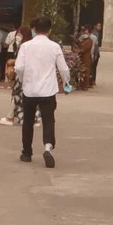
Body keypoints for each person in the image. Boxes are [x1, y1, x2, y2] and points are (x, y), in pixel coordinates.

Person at [14, 15, 70, 167]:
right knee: (48, 120)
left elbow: (19, 67)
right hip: (48, 91)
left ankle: (27, 153)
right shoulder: (54, 47)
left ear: (34, 29)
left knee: (28, 121)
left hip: (29, 90)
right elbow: (63, 68)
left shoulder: (26, 46)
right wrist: (66, 83)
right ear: (49, 30)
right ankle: (48, 148)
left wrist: (23, 79)